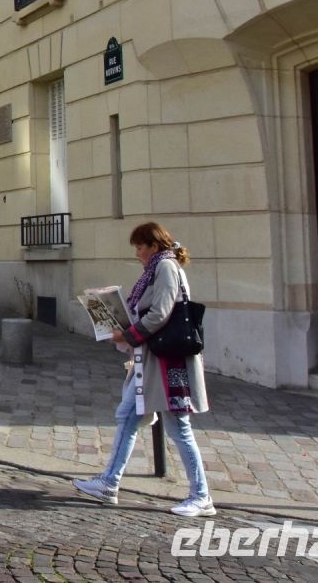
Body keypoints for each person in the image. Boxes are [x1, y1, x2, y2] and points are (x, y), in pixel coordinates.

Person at [73, 221, 212, 517]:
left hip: (168, 360)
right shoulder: (158, 268)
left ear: (153, 245)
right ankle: (109, 483)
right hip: (154, 359)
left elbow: (160, 312)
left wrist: (129, 334)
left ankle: (202, 495)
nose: (137, 253)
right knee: (127, 415)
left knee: (178, 426)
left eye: (139, 246)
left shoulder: (165, 268)